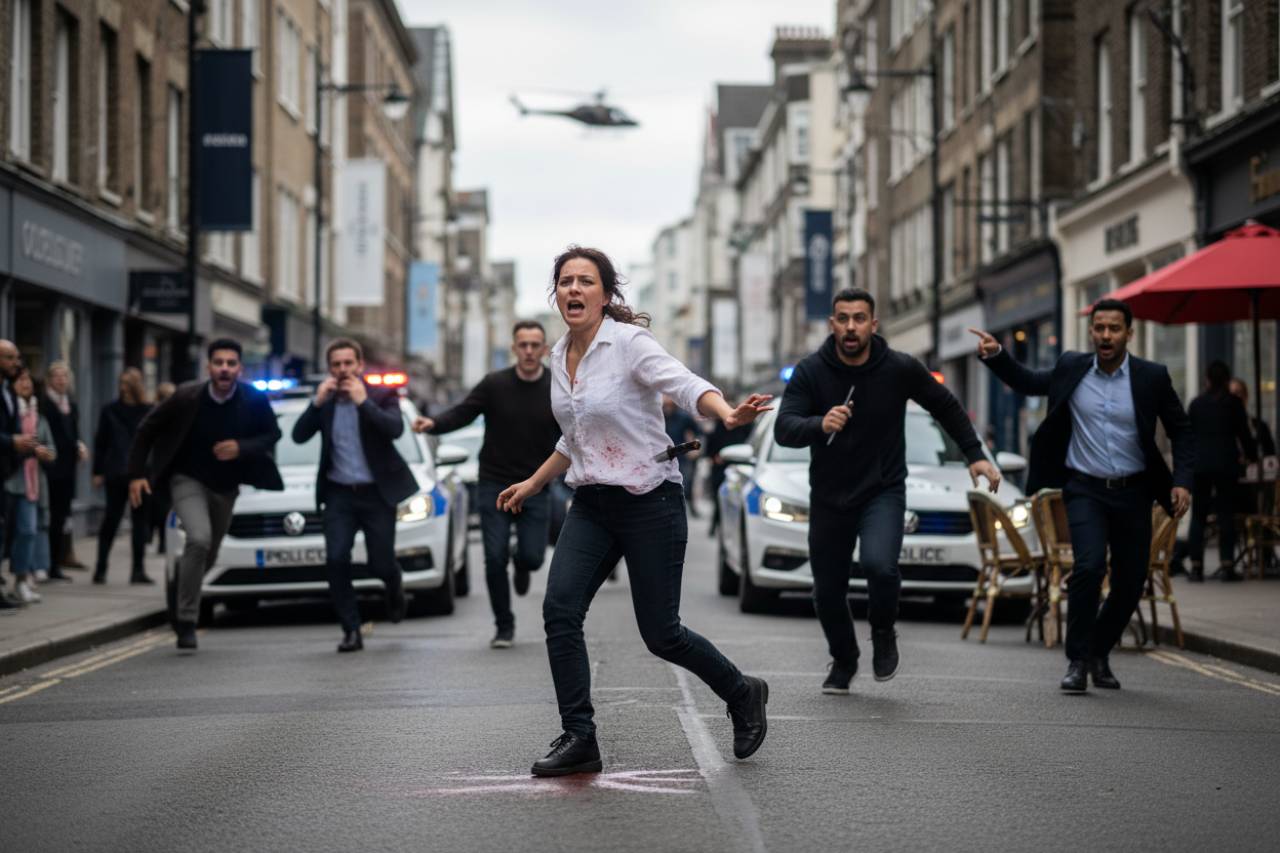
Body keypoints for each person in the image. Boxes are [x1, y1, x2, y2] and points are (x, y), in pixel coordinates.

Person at [497, 246, 772, 777]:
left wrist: (726, 412)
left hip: (650, 501)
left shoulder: (629, 344)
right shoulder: (558, 357)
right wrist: (532, 483)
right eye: (565, 282)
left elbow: (684, 384)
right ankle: (579, 736)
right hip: (593, 504)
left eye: (586, 281)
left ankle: (742, 692)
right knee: (559, 610)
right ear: (555, 294)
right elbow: (574, 436)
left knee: (662, 633)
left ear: (605, 294)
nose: (574, 290)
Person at [775, 288, 1000, 695]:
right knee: (827, 591)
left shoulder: (898, 368)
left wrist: (975, 455)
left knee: (881, 566)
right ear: (832, 324)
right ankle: (844, 658)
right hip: (829, 496)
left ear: (873, 325)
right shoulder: (811, 371)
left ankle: (883, 631)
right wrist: (818, 424)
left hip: (883, 490)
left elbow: (945, 406)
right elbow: (784, 428)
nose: (850, 327)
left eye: (859, 319)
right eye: (842, 318)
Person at [972, 298, 1193, 693]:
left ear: (1129, 333)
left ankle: (1098, 652)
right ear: (1091, 331)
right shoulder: (1072, 367)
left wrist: (1182, 480)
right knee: (1089, 568)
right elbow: (1028, 382)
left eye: (1114, 329)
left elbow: (1182, 429)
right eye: (1099, 328)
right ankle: (1077, 661)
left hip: (1134, 490)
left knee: (1131, 581)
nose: (1105, 336)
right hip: (1085, 488)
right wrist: (997, 356)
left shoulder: (1151, 377)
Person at [411, 321, 561, 649]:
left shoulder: (556, 386)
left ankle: (521, 562)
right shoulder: (494, 385)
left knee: (534, 557)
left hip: (535, 485)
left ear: (544, 349)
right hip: (494, 483)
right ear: (514, 348)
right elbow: (463, 413)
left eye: (536, 345)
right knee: (493, 558)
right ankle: (504, 626)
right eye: (523, 345)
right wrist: (433, 424)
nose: (529, 351)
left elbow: (574, 428)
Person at [127, 339, 283, 651]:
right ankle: (186, 621)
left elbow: (272, 434)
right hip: (187, 479)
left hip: (226, 487)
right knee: (198, 538)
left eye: (231, 363)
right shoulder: (186, 396)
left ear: (239, 368)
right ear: (208, 366)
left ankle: (181, 589)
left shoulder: (252, 398)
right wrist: (136, 475)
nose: (224, 369)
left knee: (208, 552)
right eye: (219, 362)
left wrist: (241, 447)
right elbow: (147, 428)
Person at [291, 338, 415, 653]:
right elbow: (298, 435)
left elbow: (394, 429)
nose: (343, 370)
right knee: (335, 559)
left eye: (349, 364)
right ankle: (351, 630)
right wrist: (315, 404)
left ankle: (393, 582)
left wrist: (364, 403)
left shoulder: (380, 394)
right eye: (337, 365)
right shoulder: (326, 401)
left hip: (377, 494)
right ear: (329, 368)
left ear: (359, 366)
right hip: (338, 495)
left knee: (380, 563)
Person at [1187, 362, 1255, 582]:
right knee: (1226, 513)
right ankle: (1227, 565)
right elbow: (1244, 435)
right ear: (1227, 380)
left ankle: (1196, 566)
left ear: (1207, 379)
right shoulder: (1234, 404)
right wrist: (1253, 457)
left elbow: (1188, 435)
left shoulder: (1196, 404)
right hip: (1226, 464)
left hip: (1200, 464)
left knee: (1198, 515)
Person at [92, 368, 153, 585]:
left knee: (140, 523)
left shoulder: (149, 410)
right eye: (122, 384)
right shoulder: (110, 410)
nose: (123, 388)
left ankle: (138, 570)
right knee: (112, 519)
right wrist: (97, 471)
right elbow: (101, 442)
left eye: (127, 384)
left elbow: (153, 443)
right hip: (117, 472)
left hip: (141, 474)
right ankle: (100, 569)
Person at [6, 366, 56, 604]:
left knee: (27, 532)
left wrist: (46, 453)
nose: (26, 384)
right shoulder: (9, 412)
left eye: (29, 380)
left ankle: (20, 581)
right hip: (7, 480)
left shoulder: (39, 417)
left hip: (31, 484)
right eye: (21, 380)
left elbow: (51, 449)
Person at [43, 362, 87, 580]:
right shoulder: (44, 405)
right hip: (49, 469)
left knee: (61, 517)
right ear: (50, 379)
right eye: (57, 376)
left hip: (67, 470)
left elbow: (75, 433)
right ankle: (44, 563)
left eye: (64, 376)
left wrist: (79, 445)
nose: (61, 380)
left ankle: (55, 562)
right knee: (47, 517)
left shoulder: (71, 404)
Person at [0, 341, 26, 610]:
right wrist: (12, 442)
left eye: (16, 358)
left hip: (6, 473)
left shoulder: (7, 390)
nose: (15, 363)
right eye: (9, 358)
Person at [705, 418, 752, 537]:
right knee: (719, 499)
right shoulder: (717, 431)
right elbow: (709, 452)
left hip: (738, 471)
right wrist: (716, 459)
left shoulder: (743, 430)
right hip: (720, 471)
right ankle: (715, 526)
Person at [149, 382, 177, 555]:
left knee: (167, 507)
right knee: (159, 506)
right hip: (157, 468)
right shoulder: (154, 415)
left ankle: (164, 540)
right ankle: (160, 538)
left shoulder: (180, 415)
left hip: (172, 467)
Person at [662, 396, 701, 516]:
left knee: (684, 483)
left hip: (681, 457)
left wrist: (695, 449)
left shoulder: (683, 417)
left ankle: (686, 508)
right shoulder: (657, 415)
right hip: (660, 457)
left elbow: (698, 433)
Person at [1229, 378, 1276, 458]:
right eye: (1231, 394)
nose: (1234, 398)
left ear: (1246, 396)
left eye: (1238, 393)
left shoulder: (1260, 426)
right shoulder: (1220, 428)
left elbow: (1270, 456)